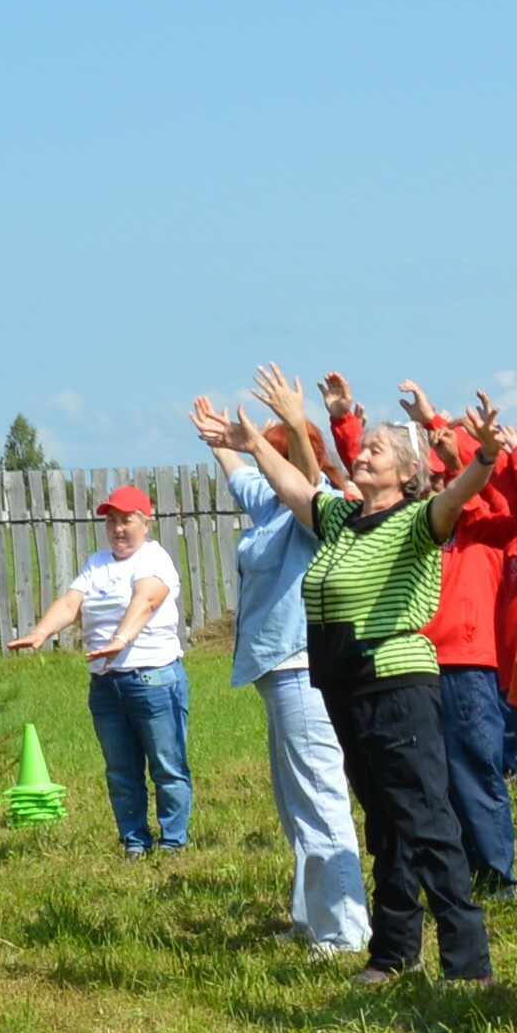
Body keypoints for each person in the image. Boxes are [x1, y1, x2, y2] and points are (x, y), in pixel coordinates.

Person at [248, 366, 505, 984]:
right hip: (347, 686)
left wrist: (488, 457)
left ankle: (468, 966)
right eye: (362, 449)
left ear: (407, 471)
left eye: (375, 450)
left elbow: (455, 496)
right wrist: (259, 437)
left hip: (397, 684)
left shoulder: (416, 520)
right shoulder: (342, 521)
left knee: (426, 821)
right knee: (385, 823)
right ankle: (393, 953)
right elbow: (293, 486)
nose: (361, 455)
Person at [197, 399, 368, 958]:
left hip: (304, 670)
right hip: (279, 675)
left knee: (319, 800)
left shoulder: (314, 510)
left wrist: (286, 430)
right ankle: (311, 917)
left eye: (265, 454)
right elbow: (240, 476)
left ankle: (345, 933)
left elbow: (303, 475)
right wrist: (223, 440)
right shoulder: (270, 508)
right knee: (295, 804)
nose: (258, 463)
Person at [398, 382, 517, 899]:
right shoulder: (423, 523)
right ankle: (478, 872)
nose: (435, 480)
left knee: (482, 773)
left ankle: (498, 877)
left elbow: (490, 486)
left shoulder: (482, 522)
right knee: (451, 778)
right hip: (448, 661)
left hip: (471, 661)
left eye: (439, 473)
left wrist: (455, 440)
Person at [13, 487, 194, 855]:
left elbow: (146, 599)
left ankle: (173, 843)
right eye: (111, 521)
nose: (118, 529)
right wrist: (41, 631)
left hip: (154, 680)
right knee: (121, 772)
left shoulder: (155, 559)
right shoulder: (97, 563)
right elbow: (70, 603)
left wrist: (121, 638)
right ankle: (134, 842)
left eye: (126, 520)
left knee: (167, 768)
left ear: (146, 521)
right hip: (107, 686)